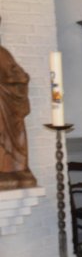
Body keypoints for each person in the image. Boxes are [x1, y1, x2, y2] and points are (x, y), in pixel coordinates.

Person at [0, 45, 37, 190]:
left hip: (6, 107)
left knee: (9, 139)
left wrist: (10, 80)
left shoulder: (3, 53)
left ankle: (14, 169)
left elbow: (20, 76)